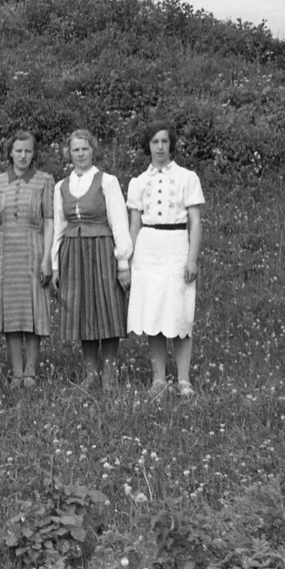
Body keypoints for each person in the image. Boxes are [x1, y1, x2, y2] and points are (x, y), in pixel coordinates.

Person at [50, 129, 133, 392]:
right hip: (73, 253)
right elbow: (59, 227)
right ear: (68, 153)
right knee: (82, 311)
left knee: (107, 309)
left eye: (85, 148)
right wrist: (54, 264)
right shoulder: (60, 187)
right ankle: (91, 374)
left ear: (93, 150)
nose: (81, 154)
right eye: (76, 149)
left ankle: (109, 373)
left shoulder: (107, 181)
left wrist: (123, 263)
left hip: (101, 250)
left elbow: (119, 222)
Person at [127, 121, 205, 398]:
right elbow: (134, 224)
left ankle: (183, 379)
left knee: (180, 312)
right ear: (147, 146)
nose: (159, 147)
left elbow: (195, 222)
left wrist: (192, 259)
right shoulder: (138, 182)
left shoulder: (187, 177)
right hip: (148, 250)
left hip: (176, 247)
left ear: (171, 144)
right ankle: (158, 378)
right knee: (155, 314)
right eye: (154, 142)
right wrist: (128, 260)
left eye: (164, 142)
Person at [0, 131, 55, 388]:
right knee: (11, 313)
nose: (23, 156)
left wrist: (48, 259)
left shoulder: (45, 180)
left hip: (33, 248)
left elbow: (49, 221)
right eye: (18, 151)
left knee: (34, 310)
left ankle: (31, 372)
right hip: (4, 251)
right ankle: (15, 372)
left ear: (33, 153)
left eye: (27, 151)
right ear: (10, 153)